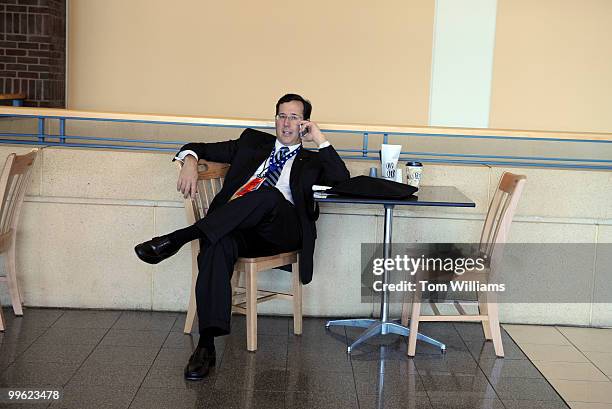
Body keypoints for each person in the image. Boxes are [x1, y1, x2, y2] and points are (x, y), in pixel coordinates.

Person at [134, 93, 350, 380]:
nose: (286, 123)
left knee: (268, 195)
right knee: (216, 244)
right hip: (238, 228)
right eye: (281, 116)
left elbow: (344, 181)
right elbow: (197, 147)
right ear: (275, 119)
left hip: (280, 231)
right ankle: (206, 345)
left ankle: (178, 238)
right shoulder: (251, 143)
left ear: (304, 124)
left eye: (294, 117)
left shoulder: (312, 160)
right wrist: (188, 160)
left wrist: (320, 138)